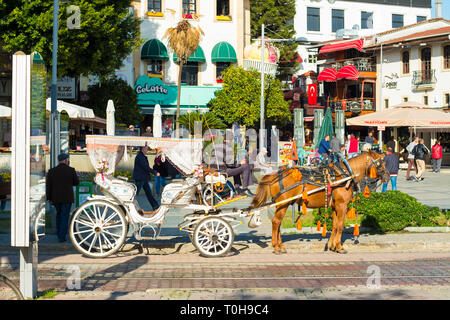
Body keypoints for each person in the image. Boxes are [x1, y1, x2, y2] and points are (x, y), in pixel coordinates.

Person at [46, 153, 79, 242]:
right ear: (66, 160)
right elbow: (76, 182)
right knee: (65, 216)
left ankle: (59, 233)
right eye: (68, 159)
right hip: (67, 197)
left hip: (55, 198)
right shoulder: (71, 170)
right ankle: (62, 236)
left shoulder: (52, 171)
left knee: (59, 215)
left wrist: (49, 198)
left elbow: (48, 186)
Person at [133, 145, 160, 210]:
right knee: (134, 194)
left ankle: (155, 206)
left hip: (143, 178)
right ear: (143, 149)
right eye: (146, 149)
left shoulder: (141, 156)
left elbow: (145, 167)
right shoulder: (140, 156)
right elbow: (146, 167)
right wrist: (155, 172)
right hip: (140, 178)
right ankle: (128, 207)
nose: (147, 150)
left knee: (149, 194)